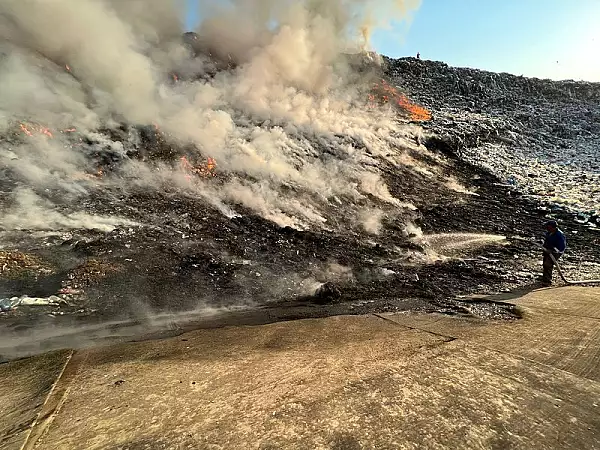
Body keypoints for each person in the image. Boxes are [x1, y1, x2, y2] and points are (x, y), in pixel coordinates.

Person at [541, 220, 566, 285]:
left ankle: (547, 281)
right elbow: (546, 240)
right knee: (545, 264)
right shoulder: (549, 232)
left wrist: (552, 251)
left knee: (548, 264)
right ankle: (545, 277)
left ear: (553, 228)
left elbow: (561, 248)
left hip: (555, 252)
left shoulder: (559, 235)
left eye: (548, 227)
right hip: (547, 250)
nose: (547, 228)